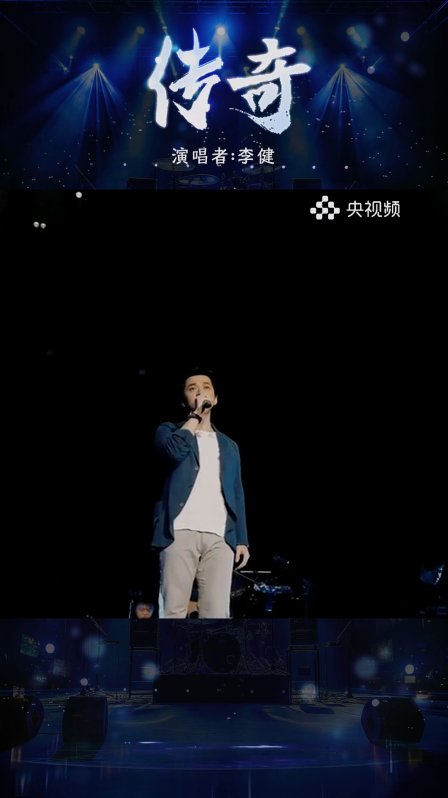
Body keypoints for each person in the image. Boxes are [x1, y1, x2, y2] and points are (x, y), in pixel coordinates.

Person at [152, 367, 249, 618]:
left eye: (206, 387)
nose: (200, 392)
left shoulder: (229, 445)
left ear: (215, 398)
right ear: (183, 399)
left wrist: (241, 539)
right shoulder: (169, 430)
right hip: (178, 530)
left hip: (220, 536)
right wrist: (195, 416)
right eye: (192, 388)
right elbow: (173, 452)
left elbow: (237, 491)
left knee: (216, 614)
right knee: (173, 611)